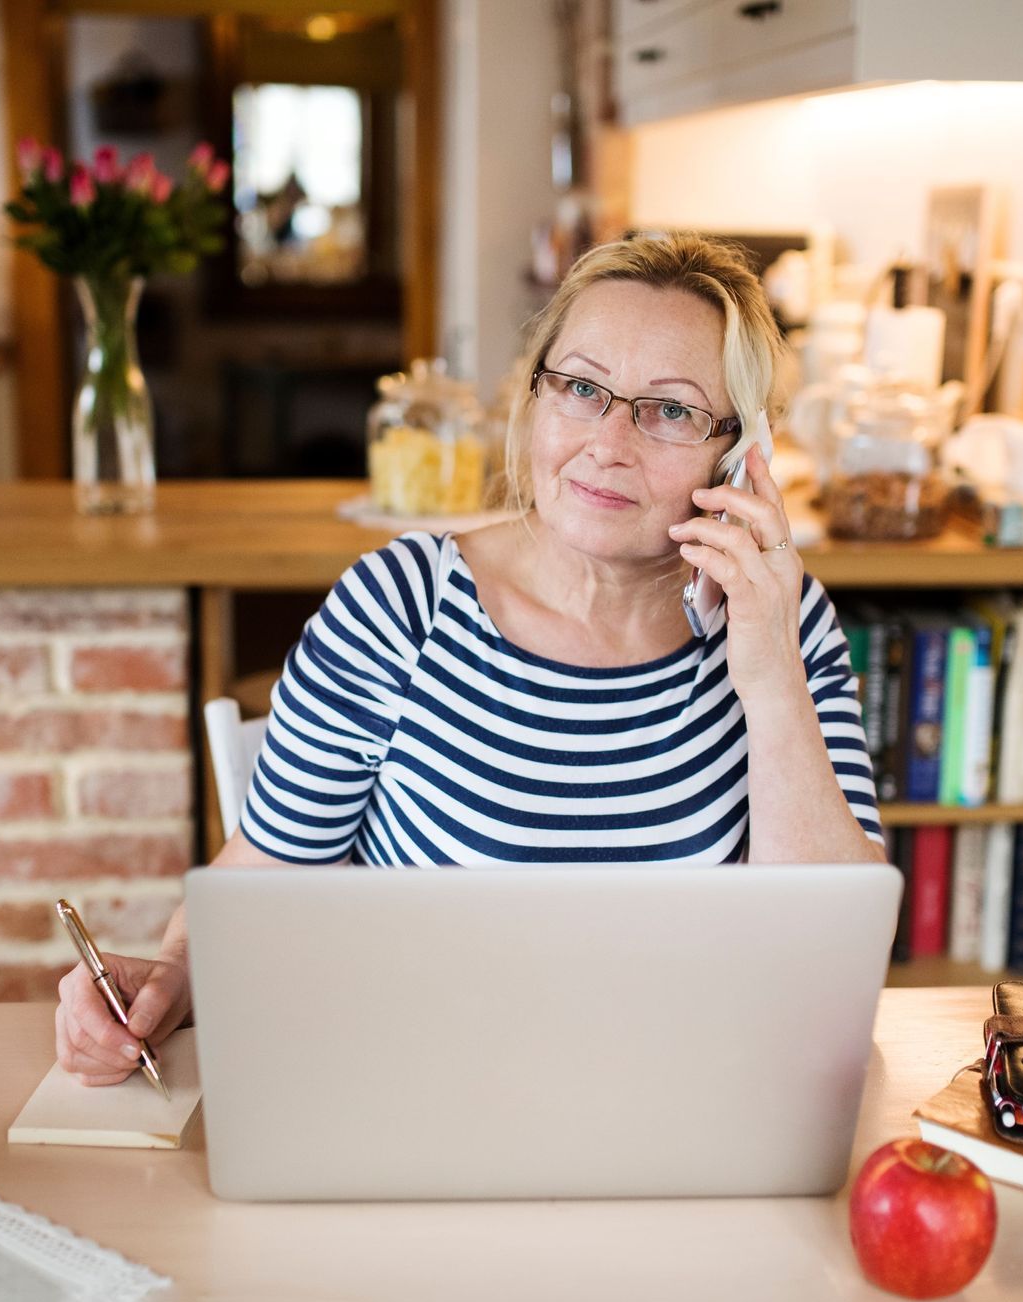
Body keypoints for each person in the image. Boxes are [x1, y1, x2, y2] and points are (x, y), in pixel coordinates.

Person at [56, 233, 887, 1086]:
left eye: (671, 410)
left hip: (683, 1099)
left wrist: (770, 679)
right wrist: (166, 982)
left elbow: (830, 965)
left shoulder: (782, 619)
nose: (608, 442)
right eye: (582, 387)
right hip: (428, 1094)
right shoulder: (399, 606)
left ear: (742, 453)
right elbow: (259, 882)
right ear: (536, 398)